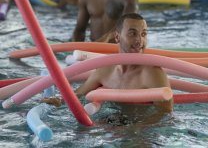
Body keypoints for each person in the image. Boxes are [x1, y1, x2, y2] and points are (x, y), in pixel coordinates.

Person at [43, 13, 173, 124]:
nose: (140, 40)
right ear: (117, 37)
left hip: (141, 130)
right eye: (132, 34)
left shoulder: (152, 73)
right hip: (111, 123)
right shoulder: (106, 70)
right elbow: (79, 94)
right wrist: (59, 100)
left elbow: (165, 114)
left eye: (144, 34)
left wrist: (135, 130)